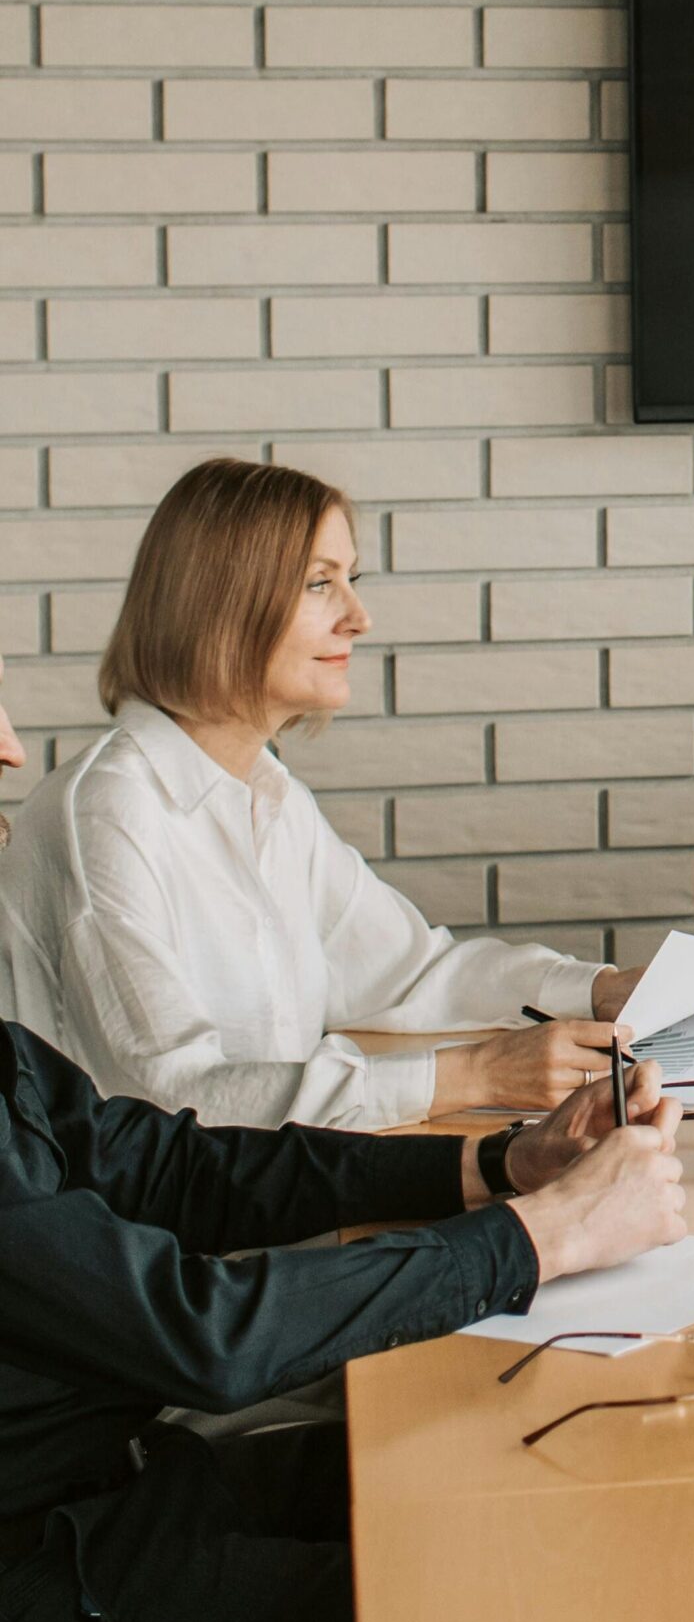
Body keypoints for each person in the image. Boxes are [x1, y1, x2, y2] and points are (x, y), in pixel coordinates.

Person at [0, 640, 689, 1622]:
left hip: (117, 1503)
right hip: (47, 1612)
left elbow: (162, 1159)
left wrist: (488, 1168)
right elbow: (195, 1334)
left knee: (539, 1482)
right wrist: (534, 1239)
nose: (12, 749)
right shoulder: (114, 803)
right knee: (544, 1619)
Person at [0, 459, 646, 1131]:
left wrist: (597, 991)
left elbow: (407, 972)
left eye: (350, 580)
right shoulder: (107, 812)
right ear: (218, 604)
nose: (358, 618)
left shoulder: (270, 798)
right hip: (148, 1231)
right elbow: (170, 1098)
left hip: (268, 1193)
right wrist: (472, 1075)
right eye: (319, 584)